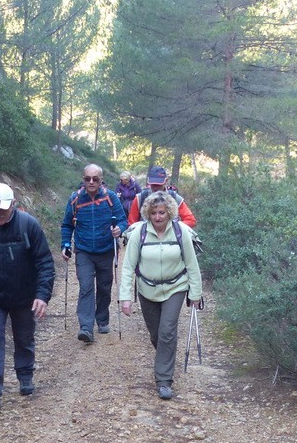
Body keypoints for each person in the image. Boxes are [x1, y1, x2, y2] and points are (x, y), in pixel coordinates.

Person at [0, 182, 55, 410]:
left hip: (24, 296)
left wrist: (42, 295)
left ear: (14, 205)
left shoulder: (29, 225)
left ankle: (25, 376)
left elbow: (45, 262)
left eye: (2, 210)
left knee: (24, 337)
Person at [119, 190, 203, 400]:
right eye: (154, 213)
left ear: (169, 213)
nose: (158, 217)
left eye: (162, 213)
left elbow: (192, 264)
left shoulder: (181, 231)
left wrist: (195, 293)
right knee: (157, 335)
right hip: (147, 290)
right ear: (148, 213)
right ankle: (165, 357)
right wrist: (125, 297)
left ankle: (164, 380)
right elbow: (128, 266)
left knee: (167, 331)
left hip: (176, 287)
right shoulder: (140, 233)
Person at [60, 164, 129, 343]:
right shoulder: (75, 199)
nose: (91, 182)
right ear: (83, 179)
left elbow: (123, 220)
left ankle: (103, 318)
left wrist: (119, 229)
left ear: (101, 180)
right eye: (87, 179)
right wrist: (66, 244)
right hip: (83, 251)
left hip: (106, 250)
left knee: (104, 288)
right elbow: (67, 224)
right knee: (86, 287)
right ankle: (86, 327)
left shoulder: (110, 197)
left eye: (95, 179)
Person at [127, 165, 197, 228]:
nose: (155, 188)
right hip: (145, 239)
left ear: (166, 181)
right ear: (149, 182)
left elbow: (190, 220)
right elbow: (132, 223)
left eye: (158, 185)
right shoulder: (140, 198)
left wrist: (175, 228)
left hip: (170, 239)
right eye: (153, 185)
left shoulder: (174, 197)